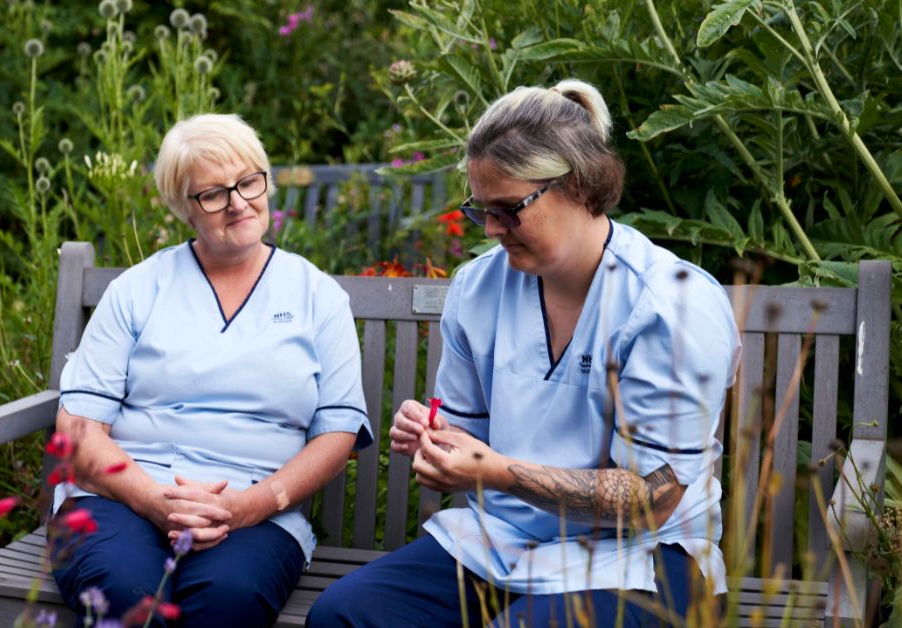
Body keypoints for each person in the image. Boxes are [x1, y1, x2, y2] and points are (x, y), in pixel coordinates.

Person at [307, 79, 740, 627]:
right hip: (504, 543)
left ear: (579, 184)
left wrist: (497, 471)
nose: (491, 230)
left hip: (645, 559)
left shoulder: (671, 304)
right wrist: (435, 444)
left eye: (509, 209)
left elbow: (652, 499)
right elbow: (467, 443)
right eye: (480, 209)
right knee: (343, 616)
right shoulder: (477, 288)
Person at [49, 113, 373, 626]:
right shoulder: (138, 289)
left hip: (254, 511)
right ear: (185, 207)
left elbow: (336, 435)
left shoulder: (317, 297)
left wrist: (248, 506)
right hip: (121, 497)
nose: (240, 202)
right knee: (127, 593)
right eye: (215, 193)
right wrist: (155, 500)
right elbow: (79, 428)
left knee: (229, 598)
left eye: (249, 181)